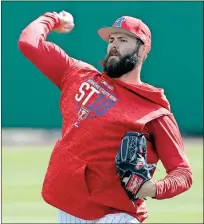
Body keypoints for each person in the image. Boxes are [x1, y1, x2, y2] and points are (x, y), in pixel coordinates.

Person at [18, 10, 193, 224]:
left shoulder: (154, 112)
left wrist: (154, 188)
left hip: (118, 215)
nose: (114, 45)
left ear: (143, 48)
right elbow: (29, 43)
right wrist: (53, 18)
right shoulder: (78, 75)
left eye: (123, 39)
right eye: (111, 40)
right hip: (70, 208)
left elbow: (182, 173)